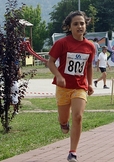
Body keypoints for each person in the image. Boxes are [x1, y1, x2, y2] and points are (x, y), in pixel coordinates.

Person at [47, 10, 95, 162]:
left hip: (79, 86)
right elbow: (51, 62)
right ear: (69, 27)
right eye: (75, 24)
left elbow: (88, 66)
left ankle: (72, 152)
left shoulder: (90, 46)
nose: (79, 26)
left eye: (82, 23)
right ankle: (63, 123)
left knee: (78, 116)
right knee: (64, 118)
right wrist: (59, 76)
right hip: (63, 87)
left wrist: (90, 83)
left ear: (86, 26)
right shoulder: (62, 43)